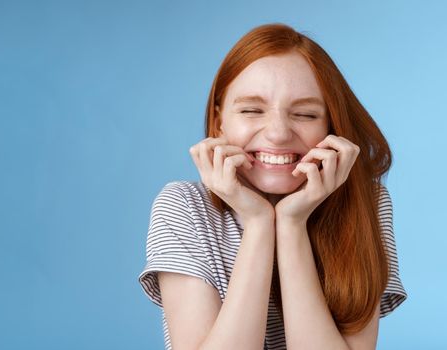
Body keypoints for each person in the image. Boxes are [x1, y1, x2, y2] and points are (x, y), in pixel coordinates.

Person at [138, 23, 407, 350]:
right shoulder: (184, 207)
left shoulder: (367, 204)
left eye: (306, 114)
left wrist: (292, 223)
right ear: (219, 118)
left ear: (330, 125)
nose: (278, 133)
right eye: (252, 110)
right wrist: (258, 222)